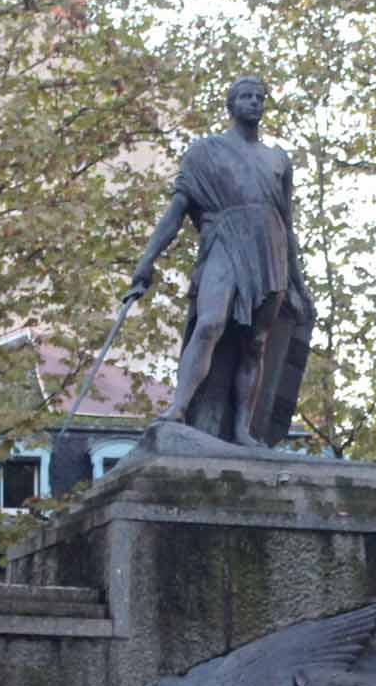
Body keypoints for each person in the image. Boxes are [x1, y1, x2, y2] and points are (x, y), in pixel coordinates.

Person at [127, 77, 316, 446]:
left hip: (270, 250)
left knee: (256, 343)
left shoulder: (277, 160)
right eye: (246, 97)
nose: (255, 103)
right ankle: (179, 407)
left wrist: (299, 282)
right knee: (210, 322)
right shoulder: (205, 152)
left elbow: (287, 224)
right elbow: (176, 212)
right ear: (231, 105)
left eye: (260, 98)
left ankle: (242, 429)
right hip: (225, 241)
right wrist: (147, 261)